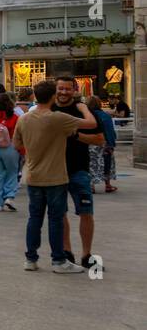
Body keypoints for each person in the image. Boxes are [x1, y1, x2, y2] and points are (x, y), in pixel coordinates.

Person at [12, 80, 94, 273]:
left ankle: (30, 259)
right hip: (55, 176)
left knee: (34, 218)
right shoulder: (58, 118)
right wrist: (83, 108)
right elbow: (91, 124)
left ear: (35, 96)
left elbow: (17, 144)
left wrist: (34, 151)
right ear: (53, 97)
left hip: (33, 175)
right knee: (55, 219)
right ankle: (58, 261)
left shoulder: (24, 119)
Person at [53, 77, 104, 270]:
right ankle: (67, 252)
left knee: (86, 213)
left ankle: (87, 255)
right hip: (55, 171)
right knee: (60, 213)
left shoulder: (83, 111)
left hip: (79, 170)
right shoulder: (49, 110)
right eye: (60, 89)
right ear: (55, 90)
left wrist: (76, 135)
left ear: (74, 90)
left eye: (67, 89)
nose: (64, 92)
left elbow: (99, 139)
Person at [86, 96, 117, 193]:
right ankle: (107, 185)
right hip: (104, 143)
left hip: (90, 143)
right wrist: (111, 145)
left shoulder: (86, 115)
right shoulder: (105, 116)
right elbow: (110, 131)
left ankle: (91, 186)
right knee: (107, 163)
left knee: (91, 165)